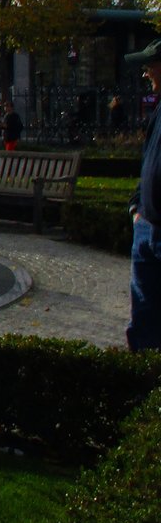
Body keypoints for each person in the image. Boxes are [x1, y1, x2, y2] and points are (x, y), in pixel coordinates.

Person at [124, 38, 161, 351]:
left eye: (151, 64)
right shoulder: (158, 110)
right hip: (147, 223)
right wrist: (137, 206)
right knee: (144, 310)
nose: (146, 71)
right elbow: (149, 161)